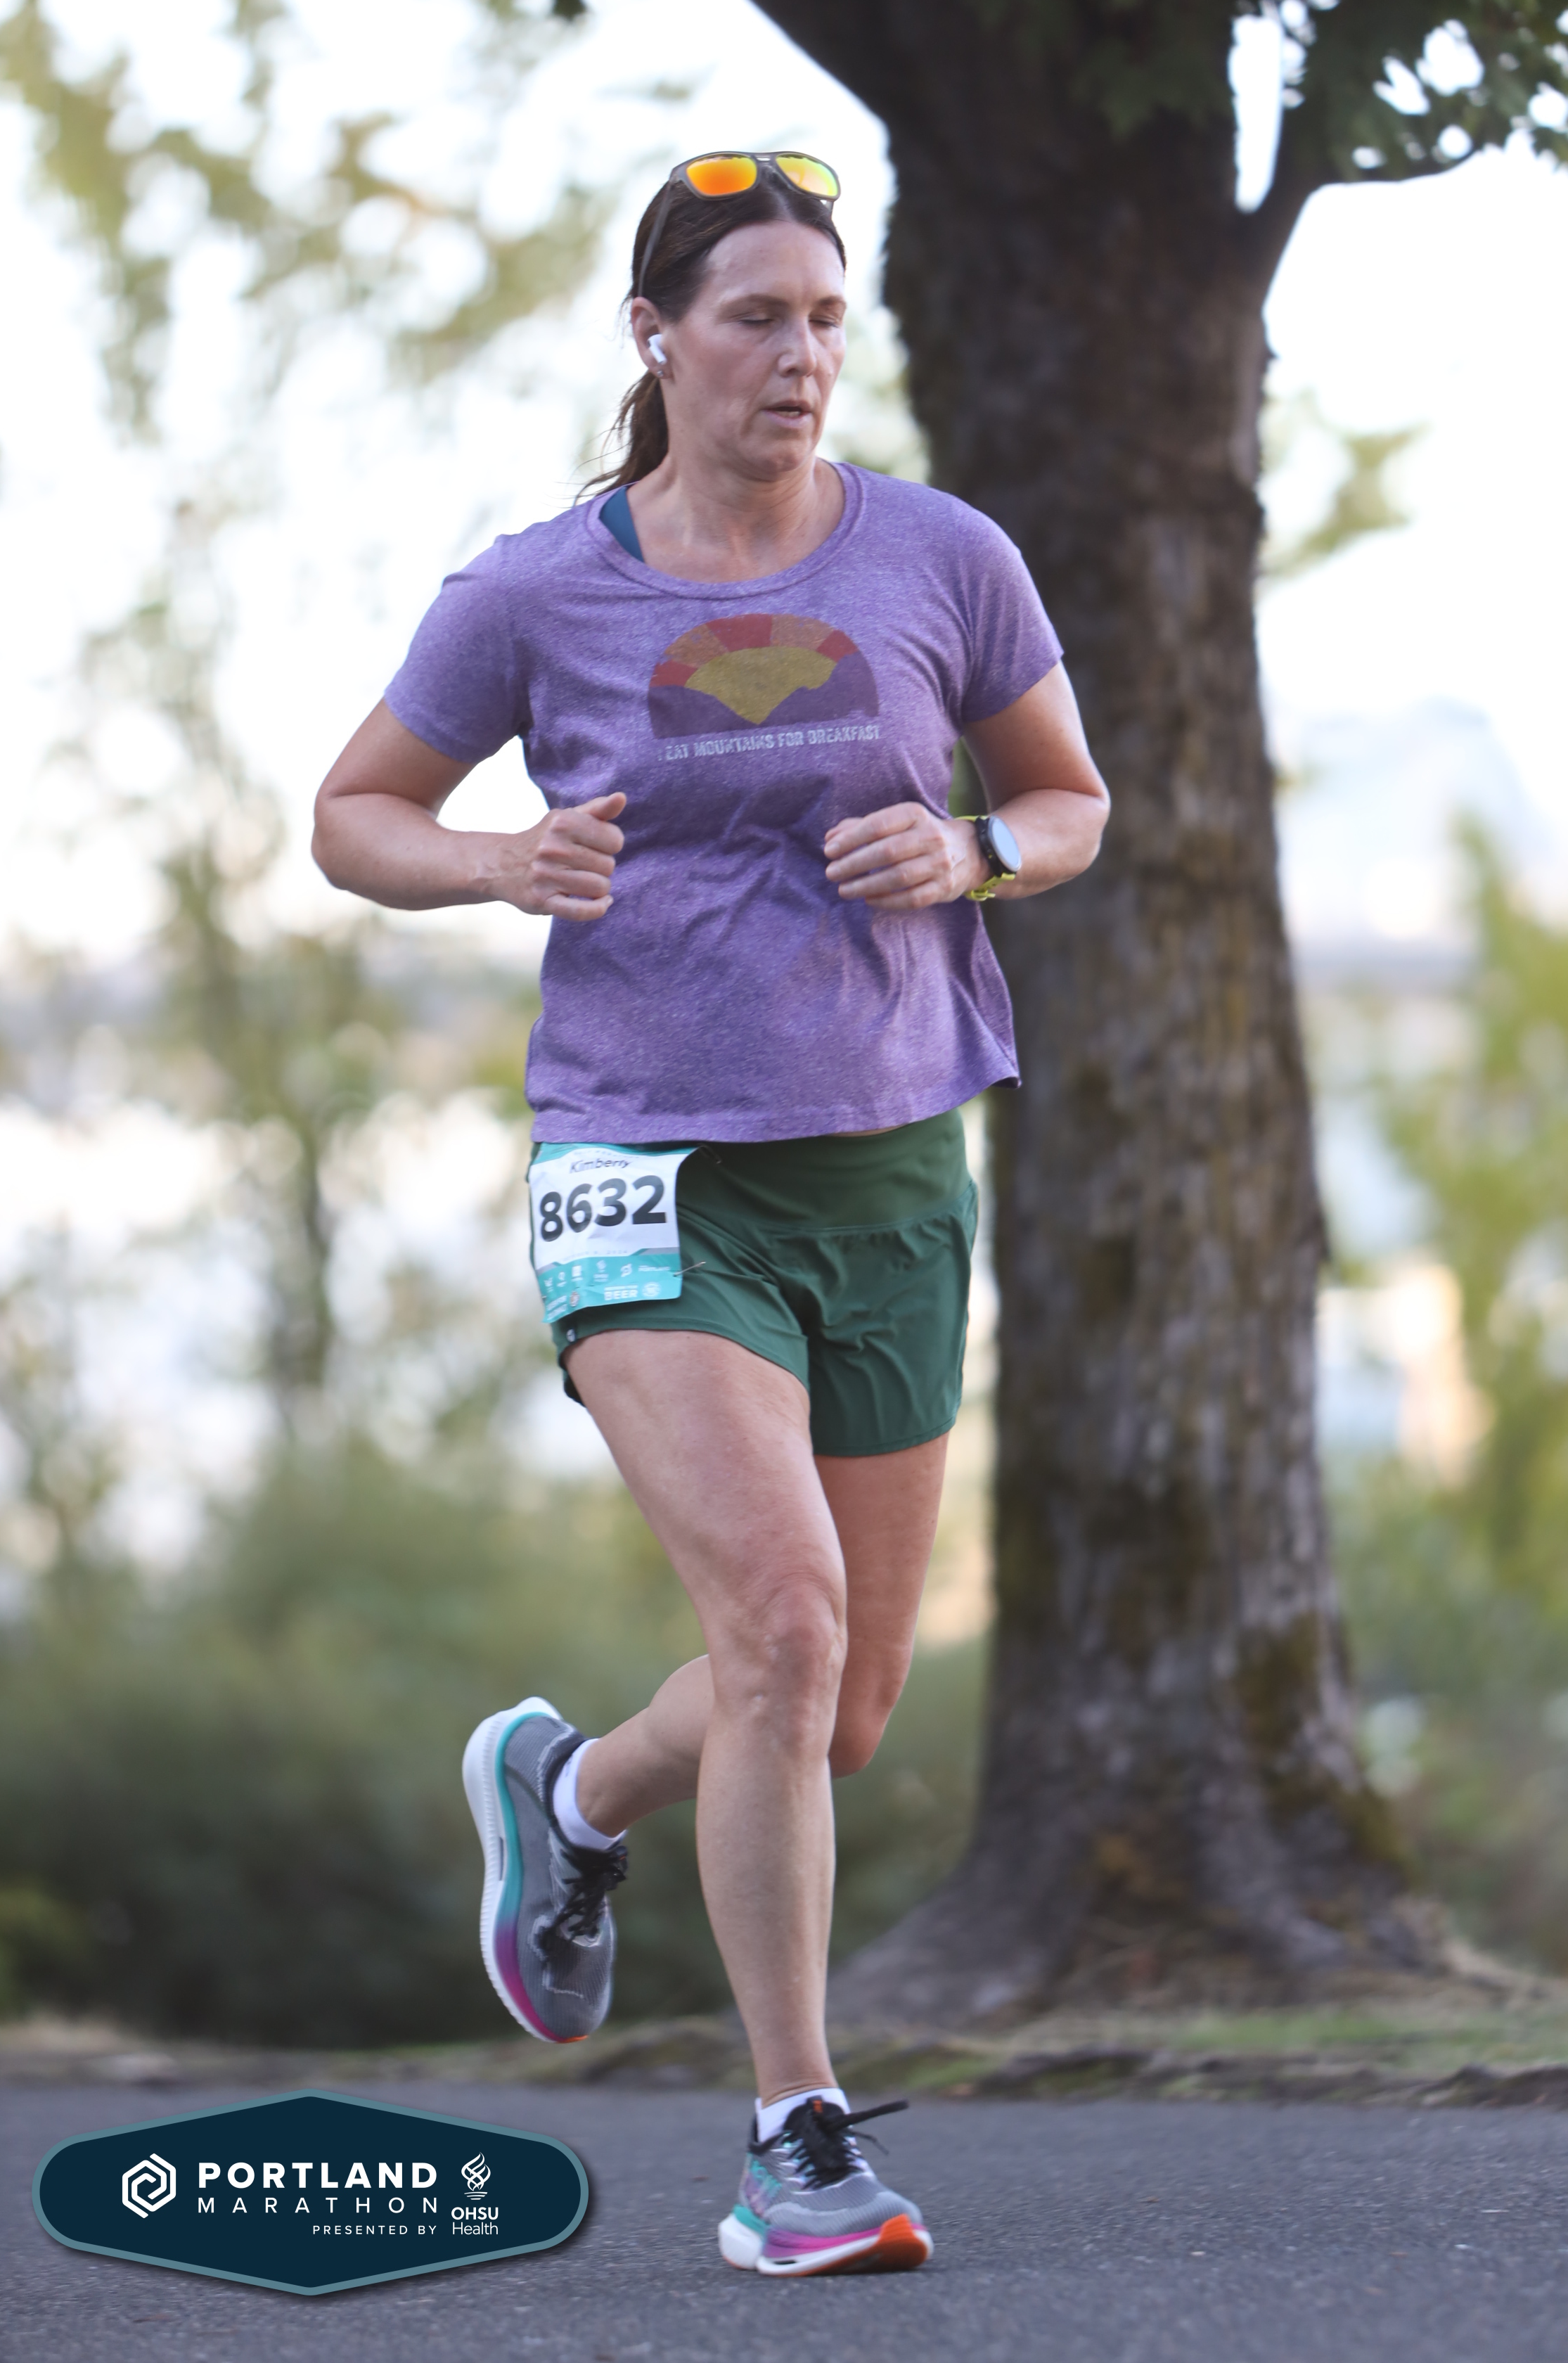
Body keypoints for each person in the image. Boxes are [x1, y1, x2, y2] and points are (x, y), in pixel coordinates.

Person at [313, 147, 1109, 2279]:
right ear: (657, 336)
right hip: (643, 1164)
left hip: (889, 1164)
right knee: (780, 1626)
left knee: (833, 1711)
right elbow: (355, 815)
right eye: (757, 316)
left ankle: (570, 1799)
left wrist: (979, 854)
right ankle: (796, 2143)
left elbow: (1069, 796)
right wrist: (499, 862)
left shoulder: (944, 557)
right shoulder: (532, 594)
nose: (800, 356)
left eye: (827, 320)